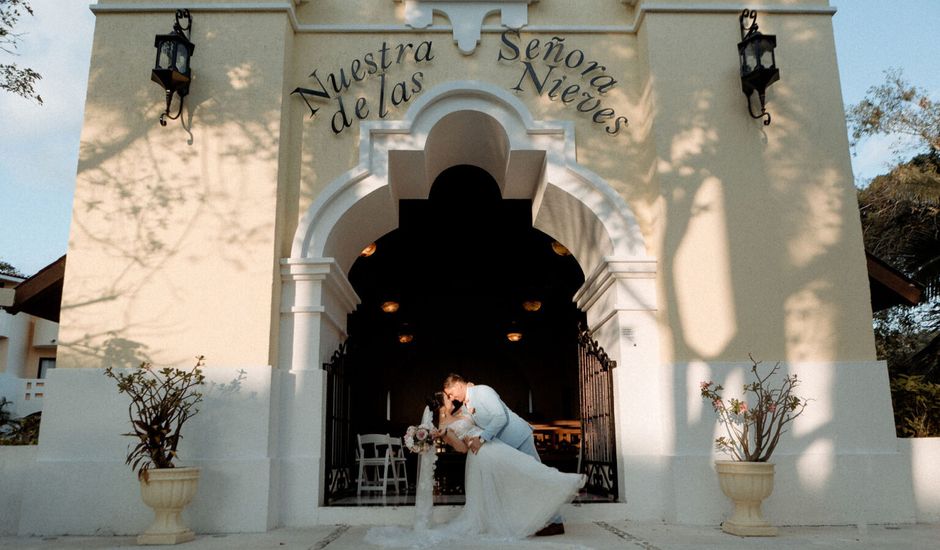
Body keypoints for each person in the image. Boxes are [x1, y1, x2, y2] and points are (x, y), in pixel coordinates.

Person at [365, 392, 583, 547]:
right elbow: (461, 449)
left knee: (524, 472)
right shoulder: (443, 428)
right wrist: (447, 437)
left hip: (494, 448)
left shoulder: (467, 412)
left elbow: (488, 424)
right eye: (448, 398)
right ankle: (538, 513)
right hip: (478, 459)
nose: (453, 399)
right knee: (502, 488)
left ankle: (554, 501)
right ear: (442, 404)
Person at [443, 373, 567, 536]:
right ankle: (537, 520)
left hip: (519, 438)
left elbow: (501, 417)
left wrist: (482, 439)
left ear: (458, 384)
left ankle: (557, 523)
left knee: (537, 477)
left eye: (451, 393)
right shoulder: (467, 404)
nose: (452, 398)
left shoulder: (483, 391)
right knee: (523, 483)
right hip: (507, 446)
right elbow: (464, 422)